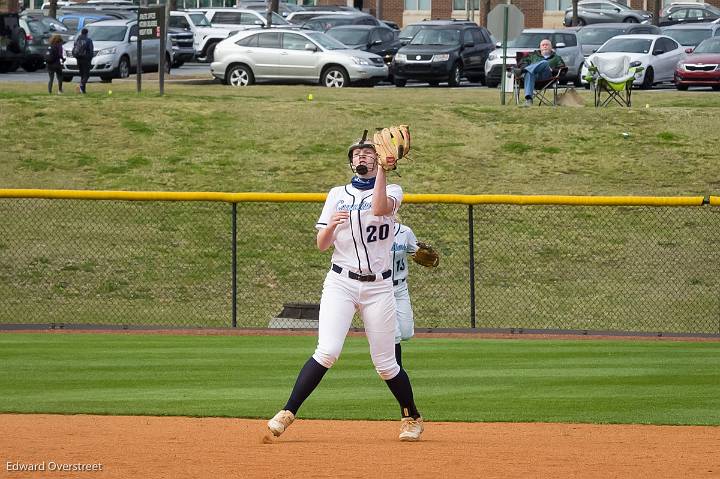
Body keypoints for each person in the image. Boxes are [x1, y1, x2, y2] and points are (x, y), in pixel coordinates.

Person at [267, 132, 424, 442]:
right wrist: (333, 226)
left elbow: (379, 208)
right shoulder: (336, 194)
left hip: (379, 288)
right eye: (357, 153)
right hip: (341, 282)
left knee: (385, 363)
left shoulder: (393, 188)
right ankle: (287, 413)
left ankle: (412, 418)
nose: (361, 156)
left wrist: (383, 169)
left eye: (368, 152)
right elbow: (321, 244)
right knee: (327, 351)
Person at [390, 221, 421, 369]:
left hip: (401, 287)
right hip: (381, 287)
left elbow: (418, 251)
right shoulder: (373, 232)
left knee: (406, 332)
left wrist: (422, 252)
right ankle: (396, 371)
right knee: (394, 333)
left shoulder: (405, 232)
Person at [517, 38, 565, 107]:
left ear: (551, 47)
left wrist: (552, 70)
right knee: (529, 73)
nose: (545, 46)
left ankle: (523, 71)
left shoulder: (556, 58)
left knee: (545, 63)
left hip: (547, 78)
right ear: (540, 47)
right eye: (543, 45)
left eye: (547, 45)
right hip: (533, 78)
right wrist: (525, 67)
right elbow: (522, 63)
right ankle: (529, 100)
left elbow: (563, 70)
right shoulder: (532, 55)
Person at [73, 28, 94, 94]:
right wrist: (90, 58)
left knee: (82, 75)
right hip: (86, 59)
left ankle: (83, 90)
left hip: (78, 59)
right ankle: (81, 85)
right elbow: (91, 51)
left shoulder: (77, 40)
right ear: (87, 33)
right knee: (86, 75)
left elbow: (74, 49)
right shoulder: (88, 40)